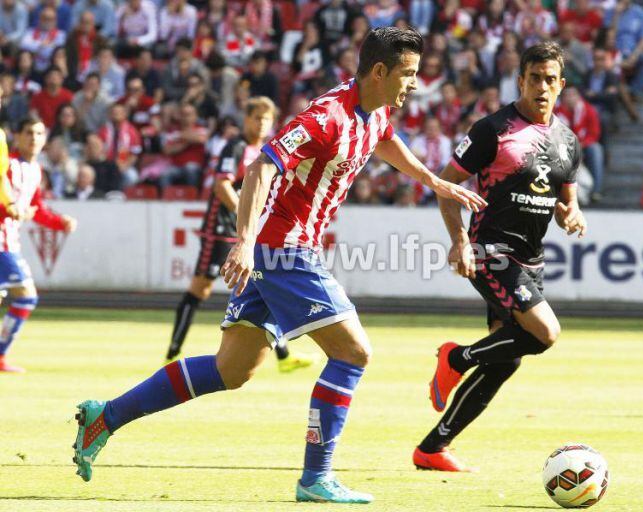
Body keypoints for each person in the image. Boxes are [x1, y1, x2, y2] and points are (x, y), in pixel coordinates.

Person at [71, 27, 485, 502]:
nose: (414, 83)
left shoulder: (375, 109)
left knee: (232, 369)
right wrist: (245, 243)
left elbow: (384, 140)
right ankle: (316, 478)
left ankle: (105, 416)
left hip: (282, 249)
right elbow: (260, 167)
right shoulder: (327, 116)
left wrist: (434, 181)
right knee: (353, 353)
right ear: (379, 71)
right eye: (408, 74)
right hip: (284, 248)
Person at [412, 41, 586, 472]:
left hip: (532, 260)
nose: (541, 87)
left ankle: (433, 448)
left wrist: (572, 212)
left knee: (505, 358)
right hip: (491, 252)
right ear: (520, 81)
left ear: (561, 85)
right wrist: (459, 241)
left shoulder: (568, 140)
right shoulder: (492, 129)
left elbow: (566, 196)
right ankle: (456, 358)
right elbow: (446, 186)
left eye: (550, 80)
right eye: (534, 79)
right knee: (546, 333)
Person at [165, 96, 313, 372]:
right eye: (257, 118)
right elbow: (221, 185)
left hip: (249, 231)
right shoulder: (235, 147)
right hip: (221, 228)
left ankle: (283, 356)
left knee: (264, 283)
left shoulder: (269, 151)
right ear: (246, 120)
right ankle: (172, 353)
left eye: (266, 119)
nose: (261, 124)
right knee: (200, 289)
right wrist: (244, 214)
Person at [0, 115, 77, 372]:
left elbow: (37, 208)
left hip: (10, 240)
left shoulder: (35, 170)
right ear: (17, 137)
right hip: (2, 241)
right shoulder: (7, 165)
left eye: (39, 134)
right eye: (28, 133)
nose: (33, 138)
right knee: (26, 294)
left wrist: (59, 222)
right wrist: (12, 211)